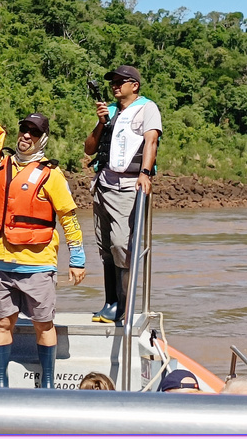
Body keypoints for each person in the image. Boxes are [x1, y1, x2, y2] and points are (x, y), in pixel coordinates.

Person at [0, 112, 86, 389]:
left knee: (44, 325)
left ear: (43, 139)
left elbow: (68, 217)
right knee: (2, 324)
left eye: (34, 132)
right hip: (0, 263)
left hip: (37, 264)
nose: (27, 135)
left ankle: (47, 384)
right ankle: (1, 385)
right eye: (24, 129)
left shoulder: (52, 175)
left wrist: (77, 257)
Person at [84, 65, 162, 323]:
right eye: (113, 82)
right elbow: (89, 148)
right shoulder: (112, 111)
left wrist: (146, 173)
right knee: (105, 248)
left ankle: (124, 306)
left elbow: (151, 141)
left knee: (121, 244)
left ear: (134, 85)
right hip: (103, 185)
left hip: (128, 186)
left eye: (120, 81)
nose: (115, 85)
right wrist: (101, 123)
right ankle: (111, 303)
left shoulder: (147, 108)